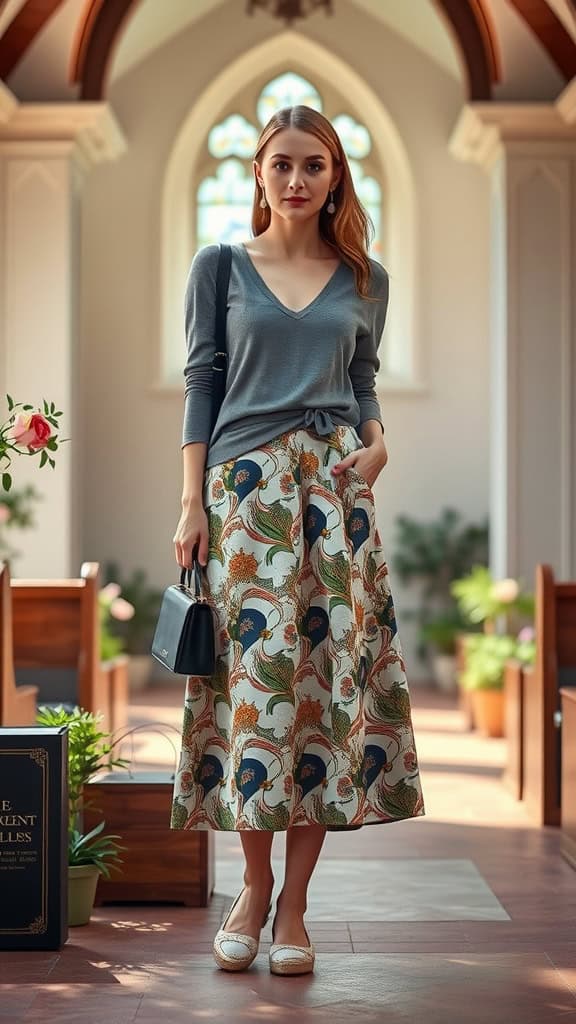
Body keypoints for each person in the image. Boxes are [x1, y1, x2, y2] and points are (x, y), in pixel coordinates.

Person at [171, 104, 425, 976]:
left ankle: (295, 908)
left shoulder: (364, 277)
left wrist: (379, 440)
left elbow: (363, 381)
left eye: (312, 166)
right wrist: (190, 503)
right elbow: (201, 382)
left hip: (336, 499)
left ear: (335, 176)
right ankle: (249, 885)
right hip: (244, 504)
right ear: (258, 172)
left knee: (318, 698)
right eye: (281, 164)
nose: (295, 180)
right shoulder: (220, 266)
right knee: (256, 700)